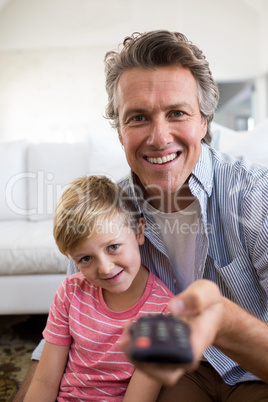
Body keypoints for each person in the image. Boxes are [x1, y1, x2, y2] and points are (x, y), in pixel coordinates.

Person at [15, 30, 268, 401]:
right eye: (138, 118)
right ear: (119, 131)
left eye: (178, 113)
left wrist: (224, 323)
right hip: (172, 374)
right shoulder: (105, 212)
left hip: (254, 368)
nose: (159, 137)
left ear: (204, 122)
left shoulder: (255, 196)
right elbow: (63, 331)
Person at [24, 175, 174, 401]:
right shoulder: (70, 292)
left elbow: (139, 397)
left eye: (113, 247)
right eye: (85, 258)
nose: (104, 268)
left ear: (139, 232)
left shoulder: (164, 312)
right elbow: (45, 380)